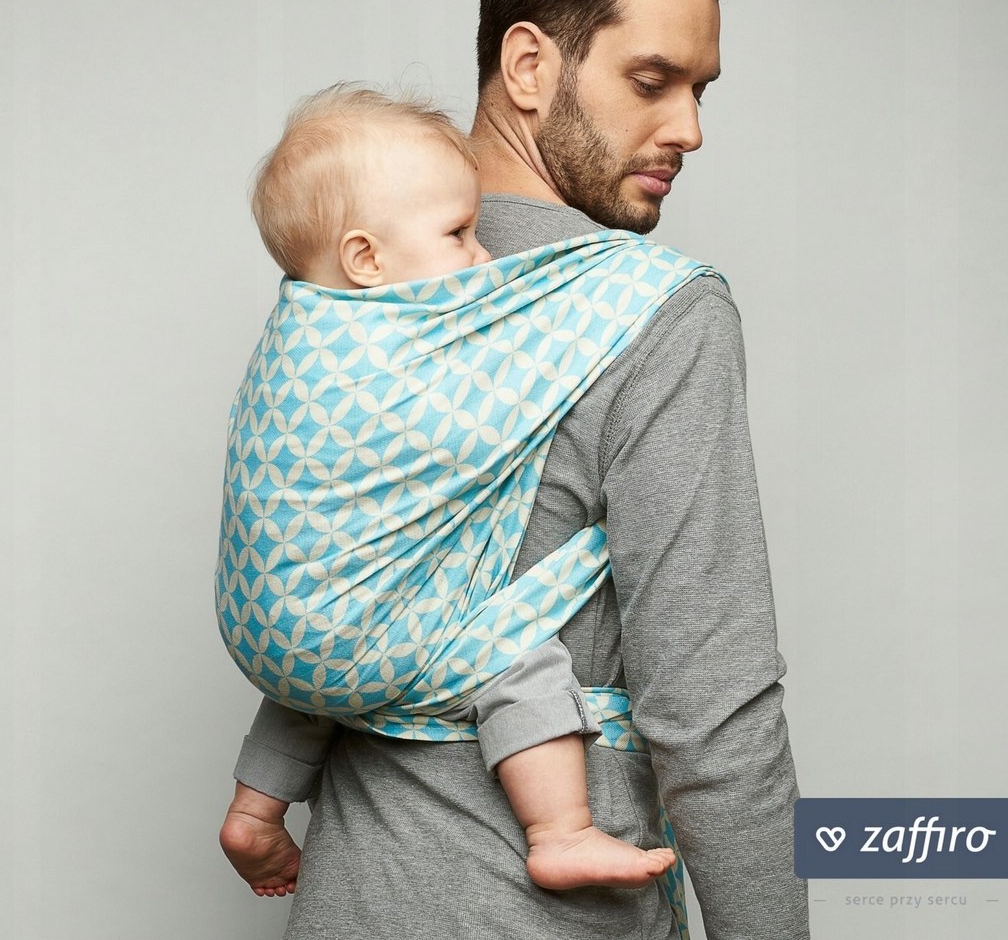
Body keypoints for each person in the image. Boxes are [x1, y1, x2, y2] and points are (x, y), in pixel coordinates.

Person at [219, 0, 810, 938]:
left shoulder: (343, 285)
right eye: (652, 80)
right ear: (529, 64)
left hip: (345, 905)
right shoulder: (655, 312)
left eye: (701, 91)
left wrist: (261, 800)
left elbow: (327, 588)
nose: (689, 127)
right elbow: (713, 712)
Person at [217, 83, 681, 892]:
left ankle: (255, 810)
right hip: (349, 641)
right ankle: (561, 831)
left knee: (331, 637)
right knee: (515, 653)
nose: (485, 257)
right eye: (459, 235)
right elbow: (493, 420)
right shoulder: (394, 359)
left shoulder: (299, 331)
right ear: (367, 260)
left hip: (268, 626)